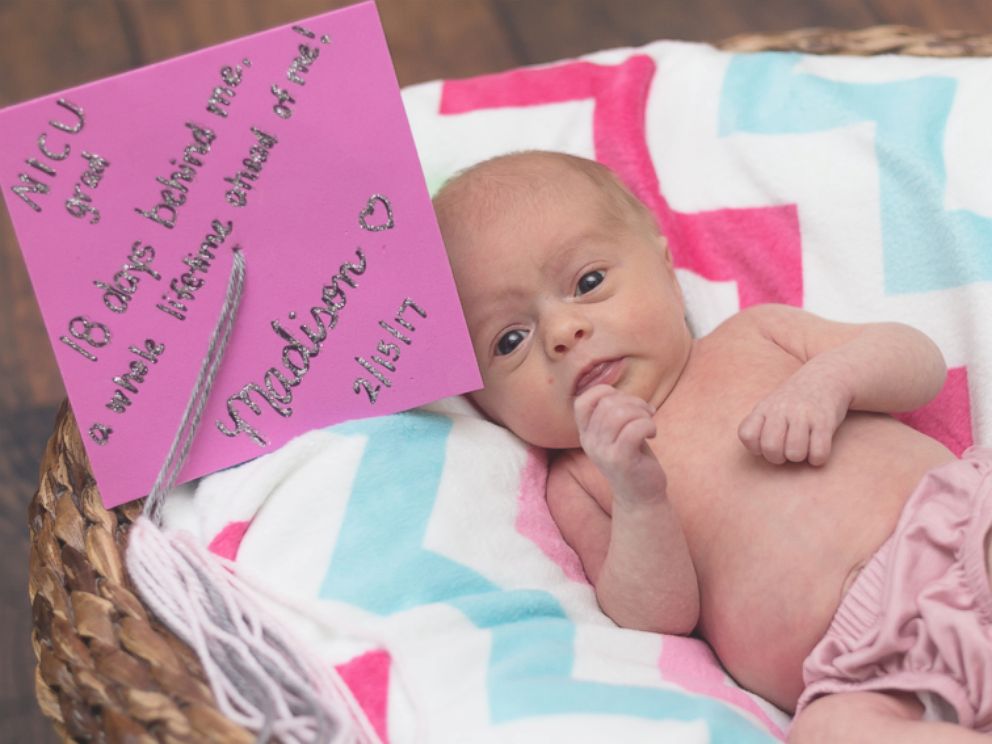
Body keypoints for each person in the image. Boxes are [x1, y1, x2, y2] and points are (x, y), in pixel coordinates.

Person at [432, 150, 992, 743]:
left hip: (957, 531)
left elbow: (918, 360)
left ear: (664, 264)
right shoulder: (581, 480)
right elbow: (656, 617)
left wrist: (830, 382)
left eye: (588, 283)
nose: (562, 333)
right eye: (510, 339)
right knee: (825, 733)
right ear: (484, 402)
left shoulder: (754, 336)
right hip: (863, 672)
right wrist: (639, 496)